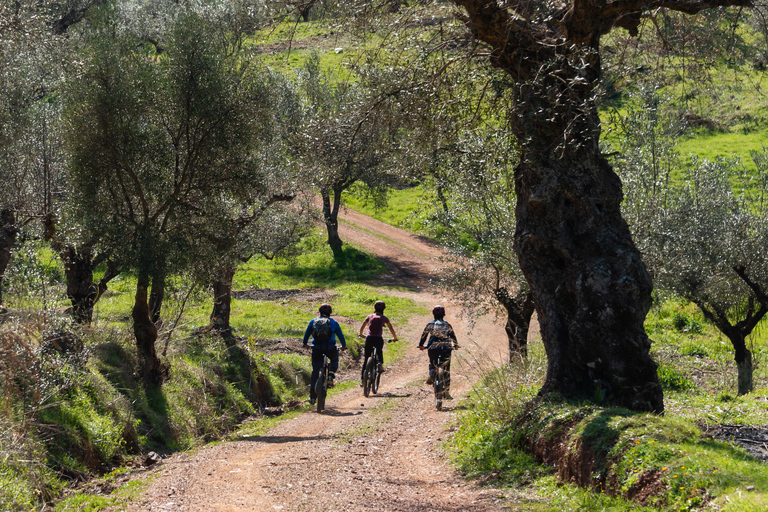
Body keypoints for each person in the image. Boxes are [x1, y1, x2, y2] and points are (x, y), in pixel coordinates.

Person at [302, 303, 347, 405]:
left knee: (315, 371)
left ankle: (312, 397)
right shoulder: (334, 322)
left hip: (317, 348)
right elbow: (340, 335)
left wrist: (305, 344)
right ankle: (331, 374)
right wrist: (344, 346)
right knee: (334, 359)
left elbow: (307, 333)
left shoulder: (313, 321)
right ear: (330, 313)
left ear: (319, 312)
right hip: (330, 348)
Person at [418, 305, 459, 400]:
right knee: (446, 370)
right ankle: (447, 393)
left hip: (433, 348)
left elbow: (424, 336)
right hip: (446, 348)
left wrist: (421, 345)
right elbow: (453, 336)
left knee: (432, 361)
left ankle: (432, 372)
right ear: (444, 314)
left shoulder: (430, 324)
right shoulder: (447, 325)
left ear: (433, 314)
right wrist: (456, 345)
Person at [358, 300, 398, 386]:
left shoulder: (370, 316)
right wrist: (394, 338)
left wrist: (361, 334)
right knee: (379, 351)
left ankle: (362, 380)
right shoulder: (384, 318)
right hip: (378, 339)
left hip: (369, 339)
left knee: (366, 359)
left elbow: (362, 326)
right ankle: (379, 364)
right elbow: (390, 328)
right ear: (383, 309)